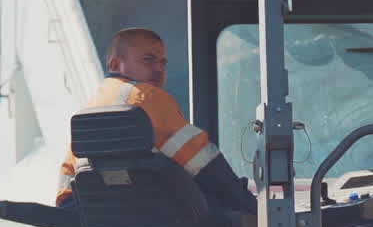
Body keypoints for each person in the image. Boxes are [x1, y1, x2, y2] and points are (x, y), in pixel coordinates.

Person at [57, 27, 251, 212]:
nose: (159, 69)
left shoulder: (90, 109)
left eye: (163, 63)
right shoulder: (146, 96)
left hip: (98, 219)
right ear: (116, 65)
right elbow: (203, 163)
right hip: (152, 215)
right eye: (148, 60)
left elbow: (66, 195)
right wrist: (247, 203)